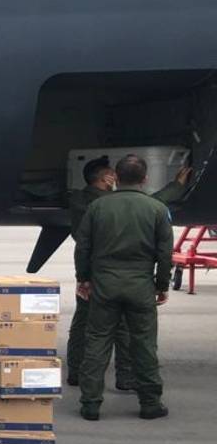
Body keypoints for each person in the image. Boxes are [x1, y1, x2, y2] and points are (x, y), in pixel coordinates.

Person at [65, 157, 192, 388]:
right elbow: (142, 206)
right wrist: (176, 186)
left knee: (87, 328)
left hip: (95, 275)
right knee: (118, 330)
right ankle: (125, 378)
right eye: (110, 172)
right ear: (106, 178)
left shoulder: (82, 200)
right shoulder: (101, 203)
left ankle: (80, 376)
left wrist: (82, 278)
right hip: (112, 278)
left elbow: (82, 247)